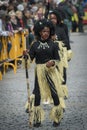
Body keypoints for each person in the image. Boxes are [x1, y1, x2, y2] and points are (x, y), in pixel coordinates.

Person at [23, 18, 64, 127]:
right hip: (39, 72)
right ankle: (37, 119)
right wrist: (26, 56)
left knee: (54, 94)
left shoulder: (54, 45)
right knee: (37, 94)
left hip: (51, 72)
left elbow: (58, 59)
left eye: (47, 31)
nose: (46, 33)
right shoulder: (35, 45)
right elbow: (30, 60)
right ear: (40, 32)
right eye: (43, 31)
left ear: (50, 32)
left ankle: (57, 117)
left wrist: (52, 63)